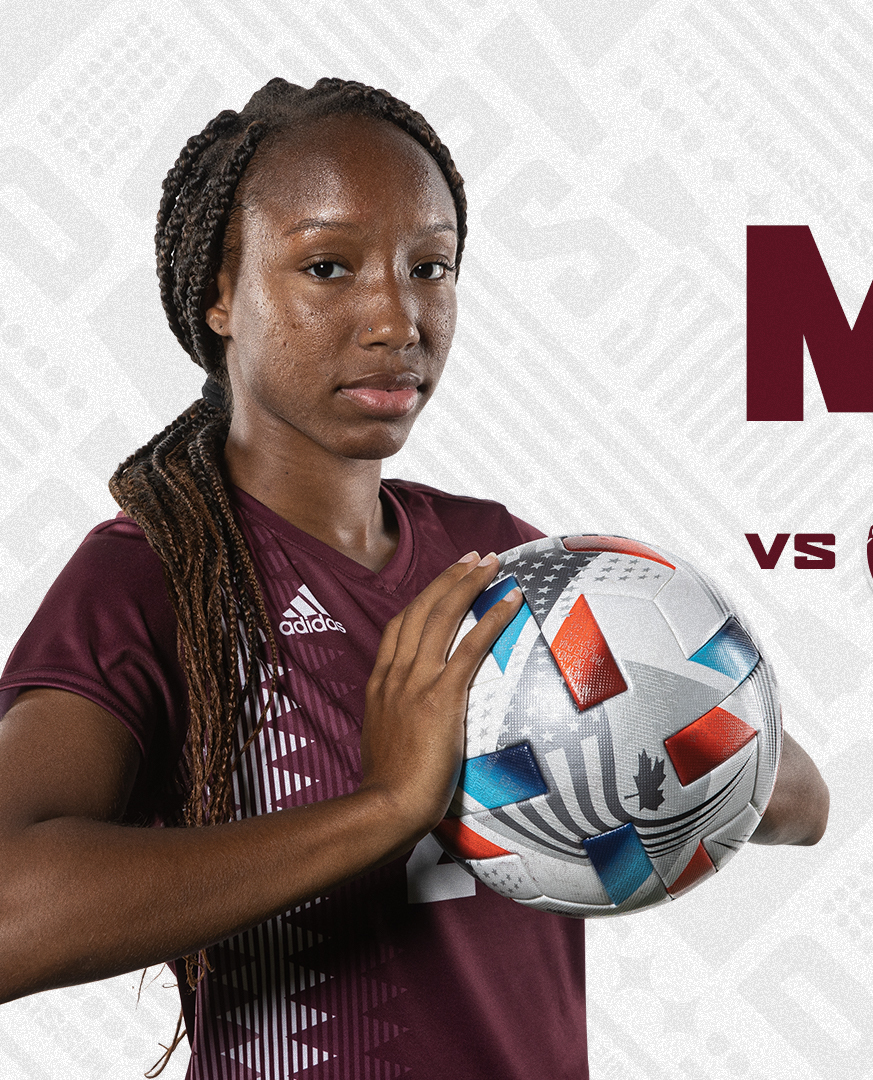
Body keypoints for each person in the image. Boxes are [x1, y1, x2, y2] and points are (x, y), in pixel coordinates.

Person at [0, 77, 828, 1078]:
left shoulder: (504, 561)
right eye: (329, 266)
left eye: (429, 266)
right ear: (222, 296)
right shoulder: (155, 576)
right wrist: (389, 808)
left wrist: (611, 752)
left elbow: (796, 795)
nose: (398, 316)